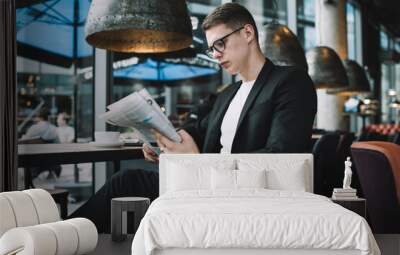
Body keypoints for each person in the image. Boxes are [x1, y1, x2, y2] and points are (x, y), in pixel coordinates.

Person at [71, 3, 317, 232]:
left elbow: (283, 156)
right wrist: (164, 142)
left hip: (237, 192)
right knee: (126, 181)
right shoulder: (227, 94)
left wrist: (198, 162)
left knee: (127, 182)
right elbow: (196, 130)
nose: (216, 55)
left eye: (220, 43)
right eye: (212, 49)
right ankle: (62, 234)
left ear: (248, 33)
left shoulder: (289, 82)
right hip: (201, 183)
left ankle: (63, 236)